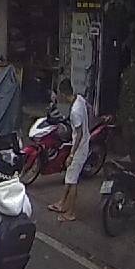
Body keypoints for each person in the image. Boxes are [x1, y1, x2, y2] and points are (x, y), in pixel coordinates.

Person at [49, 79, 89, 222]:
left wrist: (72, 155)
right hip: (82, 144)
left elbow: (79, 134)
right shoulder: (80, 100)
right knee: (69, 177)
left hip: (79, 149)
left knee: (72, 181)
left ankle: (70, 213)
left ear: (63, 94)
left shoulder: (75, 112)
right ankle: (62, 203)